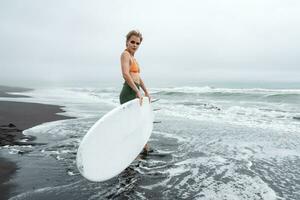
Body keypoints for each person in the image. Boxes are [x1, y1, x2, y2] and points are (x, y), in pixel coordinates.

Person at [119, 30, 151, 153]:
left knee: (139, 122)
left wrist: (146, 92)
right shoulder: (125, 55)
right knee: (132, 124)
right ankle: (132, 151)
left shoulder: (133, 58)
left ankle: (143, 149)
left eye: (137, 43)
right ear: (127, 42)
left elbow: (138, 77)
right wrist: (137, 91)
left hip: (134, 90)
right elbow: (126, 74)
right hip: (128, 92)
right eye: (132, 42)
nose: (135, 45)